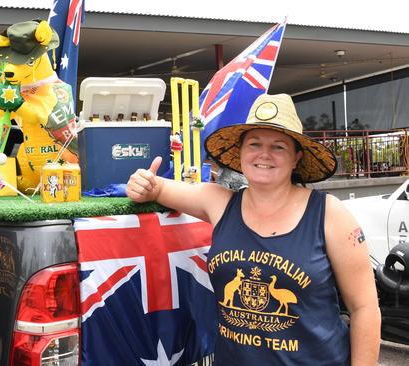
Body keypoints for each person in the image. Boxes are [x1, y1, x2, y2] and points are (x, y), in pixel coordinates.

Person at [127, 94, 380, 365]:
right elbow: (160, 188)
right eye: (254, 144)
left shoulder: (329, 215)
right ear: (241, 152)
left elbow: (364, 308)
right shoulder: (218, 202)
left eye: (279, 147)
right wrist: (144, 184)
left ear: (296, 157)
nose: (264, 154)